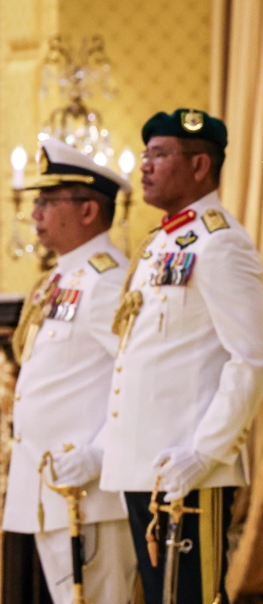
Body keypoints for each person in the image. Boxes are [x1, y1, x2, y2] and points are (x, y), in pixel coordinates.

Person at [99, 109, 263, 603]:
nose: (144, 166)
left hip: (190, 473)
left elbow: (252, 357)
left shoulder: (221, 244)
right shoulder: (160, 244)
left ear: (200, 166)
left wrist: (206, 453)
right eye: (144, 154)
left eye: (159, 154)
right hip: (145, 467)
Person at [6, 140, 138, 603]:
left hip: (88, 493)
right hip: (53, 491)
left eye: (48, 201)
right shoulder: (61, 278)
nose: (35, 212)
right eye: (37, 201)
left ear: (87, 211)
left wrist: (97, 455)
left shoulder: (107, 281)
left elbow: (138, 380)